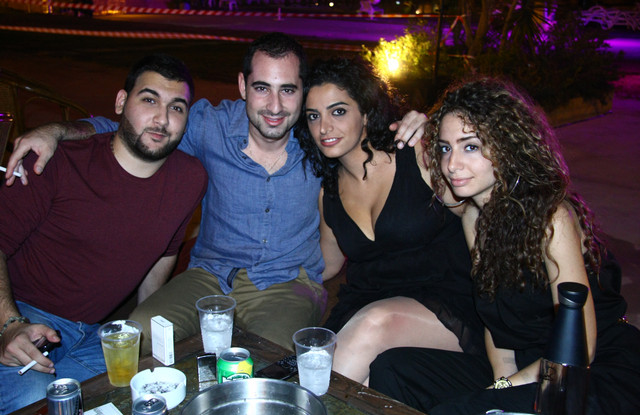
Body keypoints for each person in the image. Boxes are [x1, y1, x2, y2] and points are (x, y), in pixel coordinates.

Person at [4, 33, 427, 353]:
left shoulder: (320, 136)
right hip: (208, 276)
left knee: (267, 362)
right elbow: (139, 127)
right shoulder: (209, 126)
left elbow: (372, 135)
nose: (274, 106)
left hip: (286, 283)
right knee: (141, 336)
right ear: (242, 85)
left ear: (302, 91)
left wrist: (418, 125)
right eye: (262, 88)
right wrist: (57, 130)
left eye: (288, 90)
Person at [368, 76, 640, 415]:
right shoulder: (473, 219)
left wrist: (503, 390)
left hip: (588, 372)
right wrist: (500, 382)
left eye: (470, 147)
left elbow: (580, 346)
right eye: (445, 148)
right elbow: (496, 324)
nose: (452, 164)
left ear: (507, 146)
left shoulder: (550, 217)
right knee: (392, 368)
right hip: (526, 365)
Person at [0, 53, 207, 415]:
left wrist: (142, 330)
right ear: (121, 102)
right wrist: (9, 324)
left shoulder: (189, 178)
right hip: (21, 314)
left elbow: (164, 253)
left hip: (98, 335)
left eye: (176, 107)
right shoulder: (56, 161)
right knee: (36, 406)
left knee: (145, 394)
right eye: (149, 100)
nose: (162, 119)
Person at [295, 57, 484, 386]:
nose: (323, 128)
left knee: (373, 325)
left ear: (366, 113)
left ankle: (300, 410)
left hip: (444, 303)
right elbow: (327, 263)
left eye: (338, 111)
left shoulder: (417, 154)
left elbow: (476, 211)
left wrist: (438, 133)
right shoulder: (329, 193)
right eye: (314, 116)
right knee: (340, 367)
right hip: (368, 303)